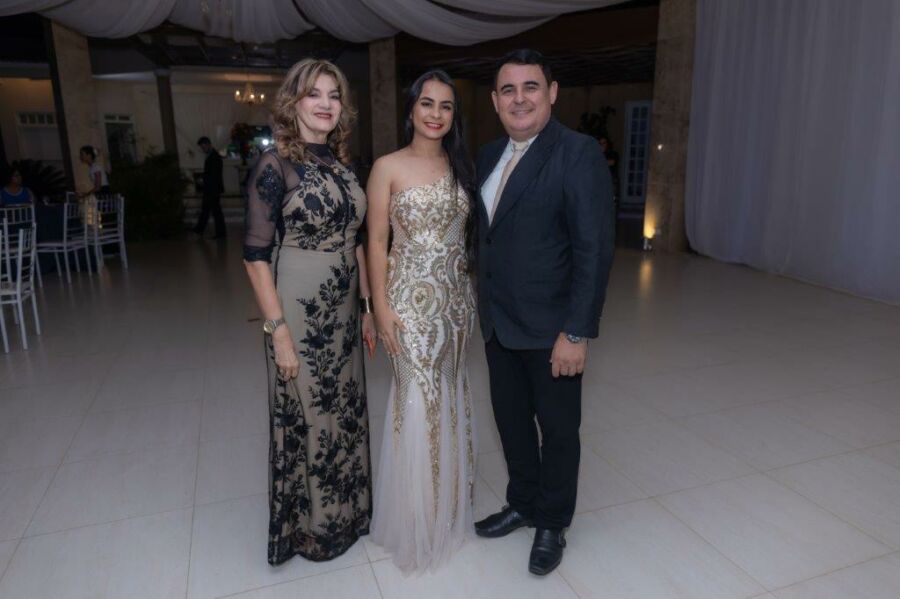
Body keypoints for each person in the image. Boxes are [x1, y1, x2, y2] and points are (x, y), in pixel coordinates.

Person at [473, 49, 615, 576]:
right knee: (511, 423)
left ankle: (552, 522)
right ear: (495, 100)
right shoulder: (488, 155)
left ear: (552, 93)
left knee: (557, 431)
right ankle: (523, 503)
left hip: (553, 328)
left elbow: (593, 249)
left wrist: (576, 332)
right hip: (498, 323)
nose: (519, 99)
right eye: (508, 90)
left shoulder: (577, 153)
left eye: (530, 87)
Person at [243, 58, 377, 566]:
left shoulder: (343, 165)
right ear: (293, 102)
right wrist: (278, 332)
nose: (325, 104)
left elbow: (357, 242)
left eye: (333, 95)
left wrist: (367, 307)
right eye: (313, 94)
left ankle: (348, 514)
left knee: (343, 410)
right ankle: (310, 529)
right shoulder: (275, 164)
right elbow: (255, 256)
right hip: (299, 311)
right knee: (310, 415)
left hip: (343, 310)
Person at [366, 70, 477, 574]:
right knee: (417, 399)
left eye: (446, 106)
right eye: (427, 103)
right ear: (411, 109)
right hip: (407, 306)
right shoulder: (387, 166)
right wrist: (378, 308)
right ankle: (416, 520)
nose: (436, 114)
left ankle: (445, 513)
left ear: (454, 115)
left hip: (456, 307)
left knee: (448, 395)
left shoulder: (461, 166)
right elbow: (375, 242)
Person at [193, 136, 226, 239]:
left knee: (214, 211)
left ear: (208, 144)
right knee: (207, 209)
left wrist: (203, 180)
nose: (202, 149)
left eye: (203, 147)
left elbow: (213, 174)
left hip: (213, 189)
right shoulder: (212, 155)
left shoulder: (214, 157)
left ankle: (219, 233)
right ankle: (200, 229)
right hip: (211, 188)